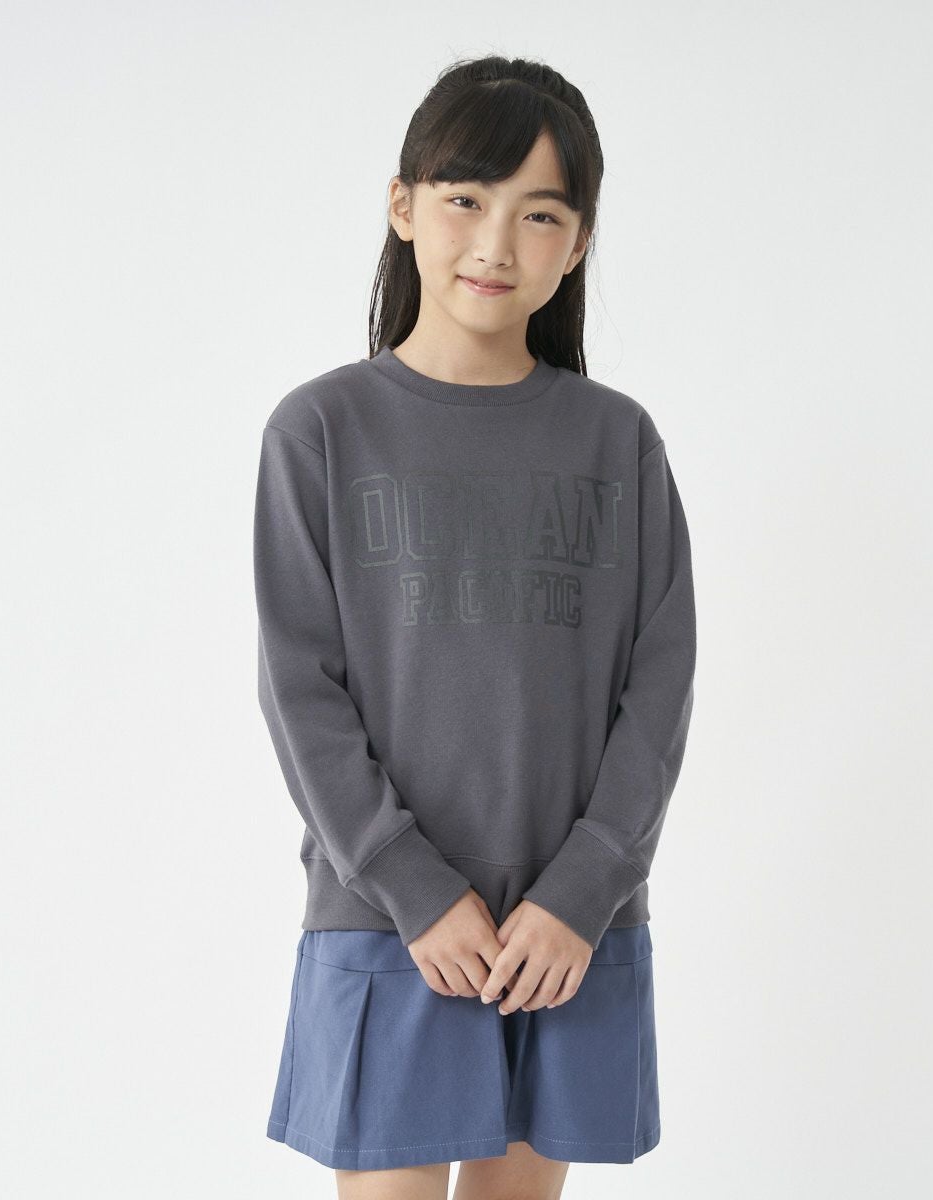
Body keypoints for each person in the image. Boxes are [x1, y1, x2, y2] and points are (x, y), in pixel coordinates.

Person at [254, 53, 697, 1200]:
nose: (496, 244)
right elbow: (300, 690)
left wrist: (581, 891)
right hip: (386, 919)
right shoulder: (321, 432)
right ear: (402, 206)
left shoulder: (618, 443)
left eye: (539, 214)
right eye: (465, 199)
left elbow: (659, 688)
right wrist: (411, 885)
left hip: (568, 930)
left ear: (578, 242)